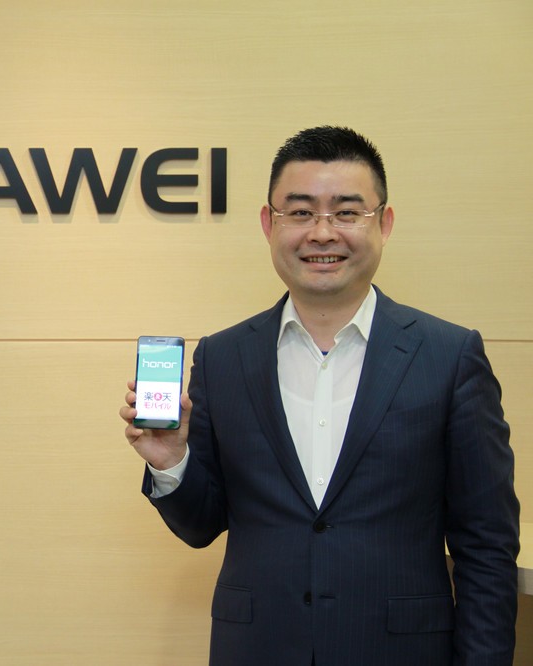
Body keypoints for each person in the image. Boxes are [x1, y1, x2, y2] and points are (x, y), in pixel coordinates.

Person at [120, 126, 520, 666]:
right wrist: (172, 463)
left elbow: (487, 546)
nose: (323, 232)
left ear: (384, 223)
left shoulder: (450, 356)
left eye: (347, 212)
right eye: (301, 212)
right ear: (269, 225)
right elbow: (200, 525)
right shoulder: (222, 358)